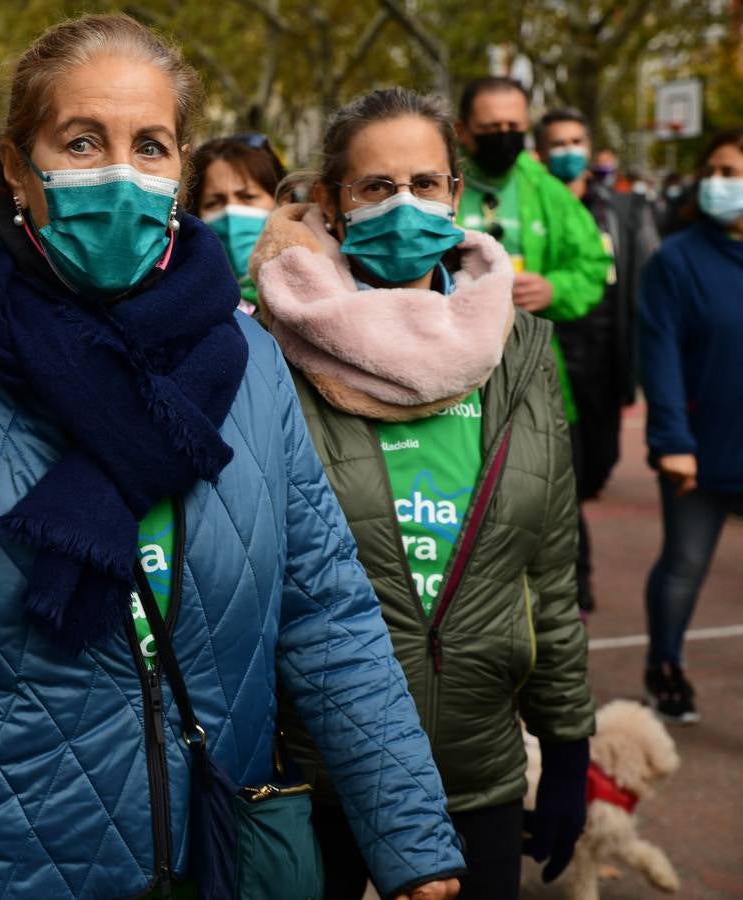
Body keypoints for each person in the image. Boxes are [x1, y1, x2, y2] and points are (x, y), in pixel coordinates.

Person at [0, 15, 464, 900]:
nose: (119, 175)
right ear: (15, 169)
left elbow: (326, 612)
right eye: (82, 142)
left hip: (218, 851)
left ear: (180, 169)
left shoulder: (251, 365)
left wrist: (412, 837)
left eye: (149, 145)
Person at [252, 87, 595, 899]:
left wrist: (571, 745)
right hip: (317, 772)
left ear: (458, 195)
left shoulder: (522, 353)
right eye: (376, 186)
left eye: (426, 183)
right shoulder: (269, 352)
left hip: (478, 772)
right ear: (333, 203)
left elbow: (547, 574)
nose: (404, 204)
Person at [535, 108, 661, 610]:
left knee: (599, 465)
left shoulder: (623, 210)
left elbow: (643, 278)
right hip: (555, 357)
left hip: (607, 362)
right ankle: (576, 577)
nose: (568, 151)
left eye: (576, 140)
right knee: (565, 475)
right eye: (557, 143)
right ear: (541, 154)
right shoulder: (534, 209)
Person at [639, 127, 743, 724]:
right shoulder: (676, 260)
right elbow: (661, 356)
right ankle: (666, 664)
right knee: (684, 564)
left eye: (734, 173)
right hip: (698, 452)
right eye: (716, 171)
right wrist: (673, 442)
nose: (720, 184)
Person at [455, 78, 610, 433]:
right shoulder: (437, 182)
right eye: (491, 127)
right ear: (462, 131)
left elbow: (593, 266)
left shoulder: (548, 191)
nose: (504, 135)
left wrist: (553, 289)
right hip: (454, 372)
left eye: (514, 127)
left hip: (531, 370)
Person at [188, 133, 285, 314]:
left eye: (247, 197)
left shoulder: (322, 286)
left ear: (282, 201)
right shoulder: (186, 302)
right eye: (213, 203)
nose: (231, 212)